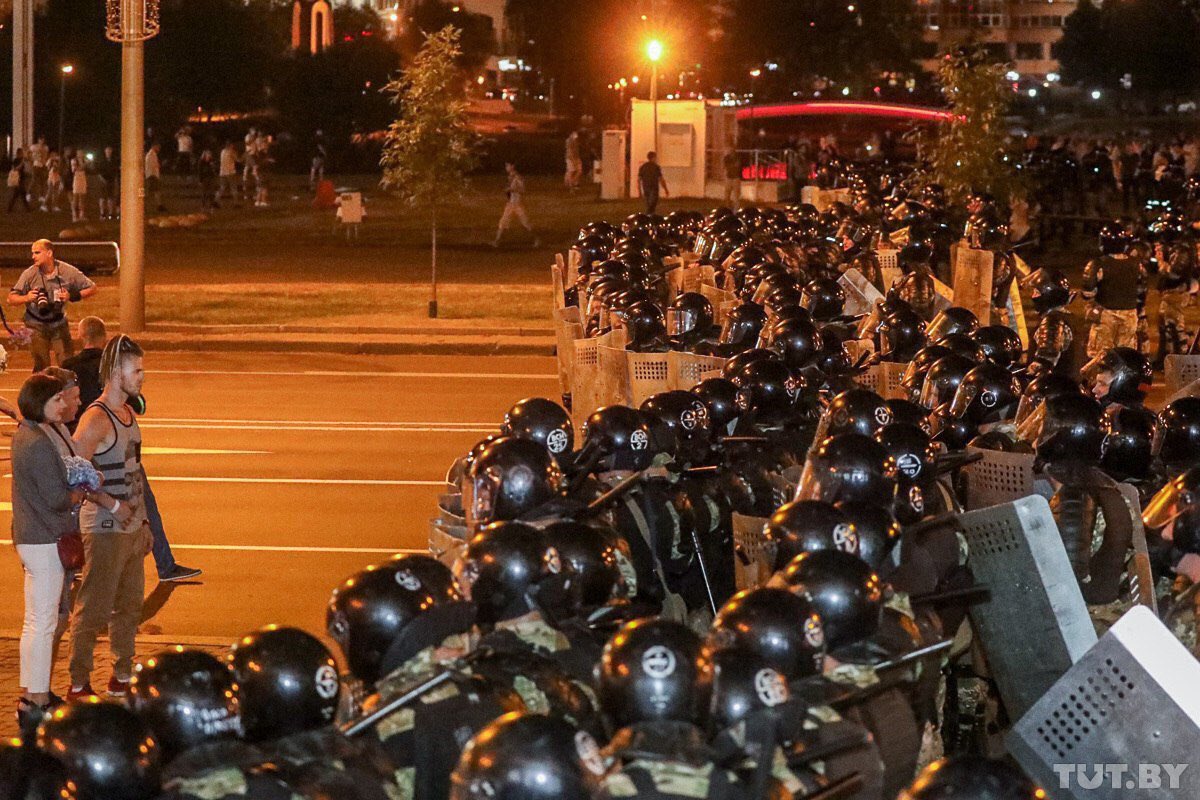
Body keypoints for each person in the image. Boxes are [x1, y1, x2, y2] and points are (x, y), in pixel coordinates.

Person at [11, 373, 124, 729]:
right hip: (45, 539)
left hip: (32, 537)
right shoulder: (37, 442)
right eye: (56, 400)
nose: (63, 405)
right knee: (43, 624)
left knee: (34, 623)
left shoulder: (27, 434)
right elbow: (57, 499)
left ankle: (32, 693)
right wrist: (79, 492)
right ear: (39, 401)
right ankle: (38, 699)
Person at [67, 334, 150, 700]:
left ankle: (121, 673)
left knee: (130, 606)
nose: (142, 377)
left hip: (132, 529)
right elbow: (73, 475)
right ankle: (79, 682)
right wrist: (112, 505)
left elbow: (136, 471)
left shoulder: (128, 414)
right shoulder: (96, 419)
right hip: (104, 529)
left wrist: (144, 523)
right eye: (137, 370)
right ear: (116, 372)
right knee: (94, 607)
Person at [7, 238, 98, 371]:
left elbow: (92, 288)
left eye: (37, 253)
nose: (33, 257)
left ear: (49, 253)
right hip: (35, 324)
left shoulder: (67, 271)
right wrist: (27, 297)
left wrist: (72, 296)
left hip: (59, 323)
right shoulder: (29, 274)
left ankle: (67, 390)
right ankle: (41, 390)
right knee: (41, 366)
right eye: (32, 253)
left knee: (67, 365)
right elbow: (10, 299)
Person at [62, 315, 106, 422]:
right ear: (104, 337)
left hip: (76, 423)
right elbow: (139, 405)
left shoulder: (68, 366)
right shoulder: (112, 365)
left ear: (80, 336)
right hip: (107, 422)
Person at [494, 161, 539, 248]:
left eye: (507, 165)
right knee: (503, 222)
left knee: (525, 223)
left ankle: (536, 239)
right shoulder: (511, 177)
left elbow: (523, 190)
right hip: (511, 203)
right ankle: (497, 241)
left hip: (517, 203)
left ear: (513, 166)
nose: (506, 167)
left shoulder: (517, 178)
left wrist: (512, 189)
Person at [6, 147, 30, 212]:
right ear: (19, 153)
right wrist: (22, 163)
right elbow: (15, 169)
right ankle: (27, 208)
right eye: (21, 153)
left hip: (21, 178)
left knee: (19, 195)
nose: (22, 154)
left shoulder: (22, 159)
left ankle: (10, 208)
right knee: (19, 195)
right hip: (18, 178)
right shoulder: (16, 160)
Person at [98, 145, 118, 220]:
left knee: (111, 197)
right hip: (103, 181)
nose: (109, 152)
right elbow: (99, 172)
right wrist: (103, 180)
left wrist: (114, 180)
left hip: (111, 181)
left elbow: (115, 171)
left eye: (110, 151)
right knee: (102, 198)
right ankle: (102, 213)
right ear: (105, 152)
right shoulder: (102, 161)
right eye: (107, 151)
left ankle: (110, 213)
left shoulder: (113, 161)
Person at [145, 141, 165, 212]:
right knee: (153, 191)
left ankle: (159, 205)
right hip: (152, 175)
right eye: (158, 147)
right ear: (154, 146)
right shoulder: (151, 155)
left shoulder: (152, 154)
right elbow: (152, 166)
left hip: (152, 175)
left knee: (155, 191)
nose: (159, 149)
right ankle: (158, 205)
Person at [69, 153, 88, 222]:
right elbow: (74, 170)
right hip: (77, 179)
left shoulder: (84, 161)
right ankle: (74, 216)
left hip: (83, 178)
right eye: (79, 153)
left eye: (82, 153)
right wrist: (84, 164)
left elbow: (89, 168)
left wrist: (86, 162)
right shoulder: (74, 161)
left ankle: (81, 215)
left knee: (82, 198)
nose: (81, 155)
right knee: (75, 198)